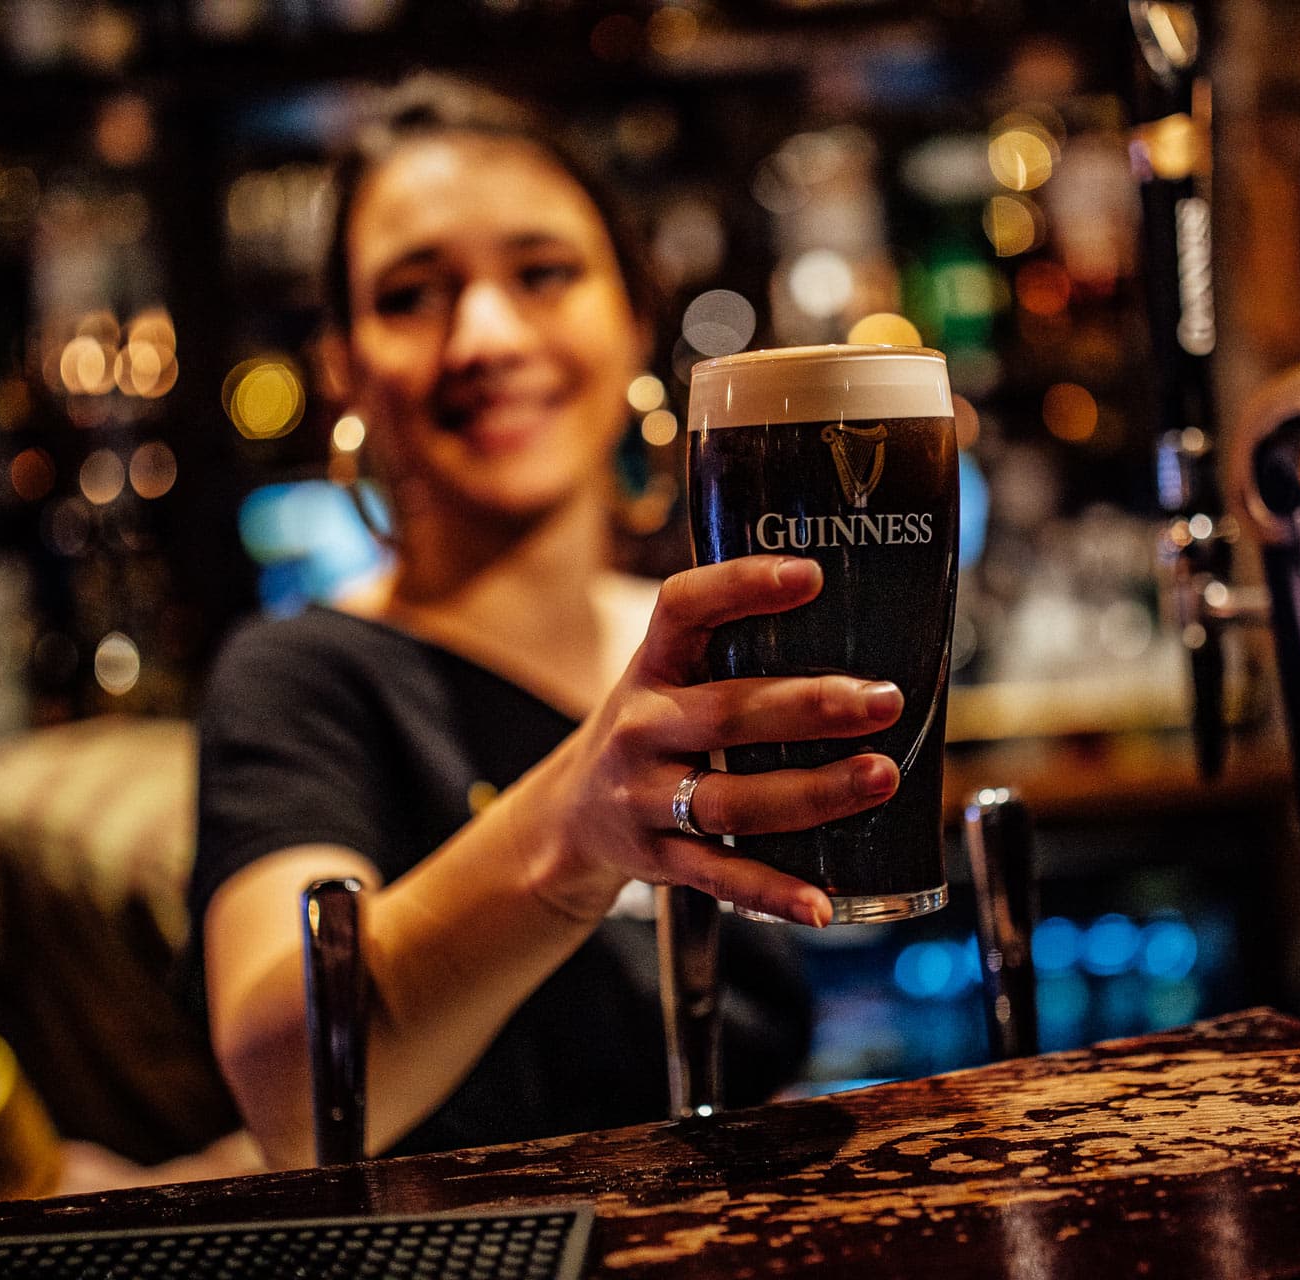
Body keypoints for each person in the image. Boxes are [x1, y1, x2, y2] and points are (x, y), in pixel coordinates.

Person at [189, 75, 909, 1170]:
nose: (483, 335)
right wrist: (573, 834)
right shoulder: (302, 673)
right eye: (411, 294)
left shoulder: (726, 655)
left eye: (543, 274)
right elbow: (292, 1088)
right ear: (341, 363)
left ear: (632, 318)